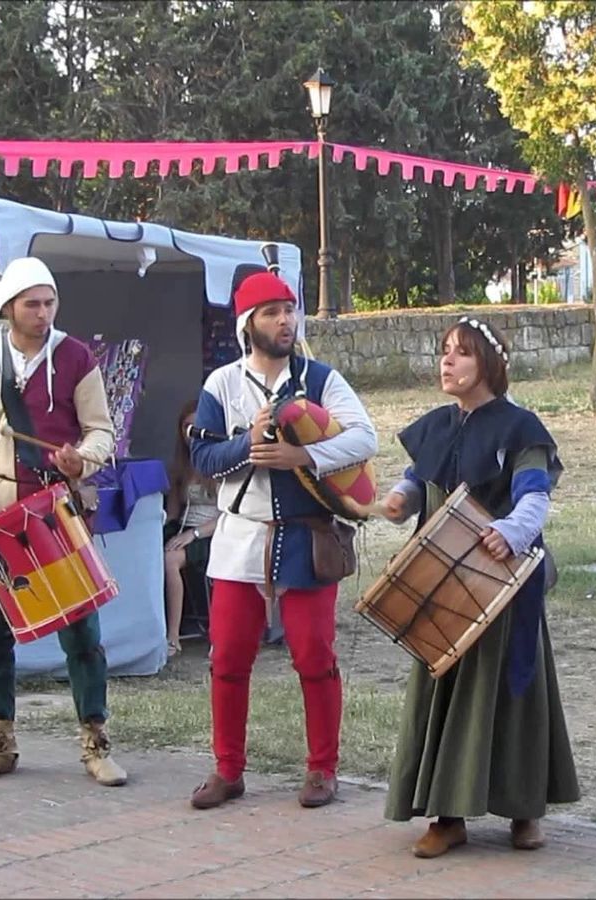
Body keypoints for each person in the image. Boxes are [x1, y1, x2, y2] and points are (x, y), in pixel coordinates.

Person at [381, 317, 579, 858]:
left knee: (513, 695)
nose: (447, 361)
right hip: (442, 584)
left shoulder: (520, 427)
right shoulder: (438, 424)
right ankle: (447, 816)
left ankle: (524, 810)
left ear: (488, 365)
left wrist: (509, 532)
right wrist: (400, 499)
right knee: (445, 694)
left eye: (461, 353)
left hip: (503, 583)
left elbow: (534, 497)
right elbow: (421, 476)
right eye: (444, 351)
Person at [0, 256, 127, 787]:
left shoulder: (75, 357)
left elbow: (102, 432)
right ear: (9, 308)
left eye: (50, 303)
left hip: (55, 511)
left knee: (81, 633)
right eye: (32, 304)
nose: (43, 313)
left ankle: (95, 741)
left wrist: (79, 460)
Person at [187, 270, 377, 810]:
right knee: (228, 659)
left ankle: (322, 769)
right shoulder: (221, 384)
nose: (285, 321)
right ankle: (228, 769)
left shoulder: (320, 379)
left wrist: (303, 456)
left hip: (305, 536)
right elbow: (202, 456)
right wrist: (246, 443)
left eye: (289, 310)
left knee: (315, 657)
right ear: (249, 324)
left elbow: (365, 437)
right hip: (240, 537)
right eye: (272, 313)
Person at [165, 398, 220, 654]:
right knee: (156, 553)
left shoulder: (221, 463)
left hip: (213, 532)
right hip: (186, 529)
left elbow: (227, 514)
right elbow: (173, 514)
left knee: (171, 560)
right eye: (185, 426)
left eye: (196, 426)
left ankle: (173, 636)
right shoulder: (182, 466)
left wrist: (193, 534)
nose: (191, 433)